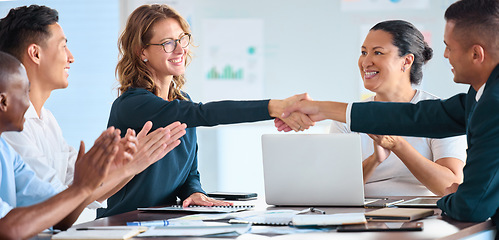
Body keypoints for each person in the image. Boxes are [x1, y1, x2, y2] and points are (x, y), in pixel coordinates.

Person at [281, 0, 498, 228]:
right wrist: (322, 109)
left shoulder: (492, 102)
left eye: (449, 47)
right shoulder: (479, 97)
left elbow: (471, 205)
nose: (444, 55)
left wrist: (453, 198)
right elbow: (416, 116)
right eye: (363, 52)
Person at [99, 4, 313, 217]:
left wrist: (195, 192)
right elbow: (203, 113)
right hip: (123, 224)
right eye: (168, 43)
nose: (181, 49)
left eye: (182, 39)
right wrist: (275, 107)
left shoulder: (182, 102)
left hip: (167, 223)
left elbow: (190, 173)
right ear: (141, 51)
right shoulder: (132, 105)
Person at [0, 5, 187, 222]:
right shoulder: (12, 130)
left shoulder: (48, 120)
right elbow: (61, 201)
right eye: (63, 46)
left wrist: (127, 167)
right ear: (35, 53)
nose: (71, 58)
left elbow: (81, 189)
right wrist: (132, 166)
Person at [328, 20, 466, 197]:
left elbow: (451, 187)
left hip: (425, 217)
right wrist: (374, 160)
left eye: (378, 52)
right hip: (361, 215)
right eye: (363, 52)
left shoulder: (440, 113)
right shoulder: (348, 117)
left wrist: (397, 145)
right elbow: (333, 189)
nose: (366, 62)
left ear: (406, 61)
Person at [0, 50, 125, 239]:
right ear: (3, 101)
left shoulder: (7, 152)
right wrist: (81, 188)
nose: (28, 104)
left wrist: (88, 183)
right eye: (25, 93)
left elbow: (60, 216)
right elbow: (8, 230)